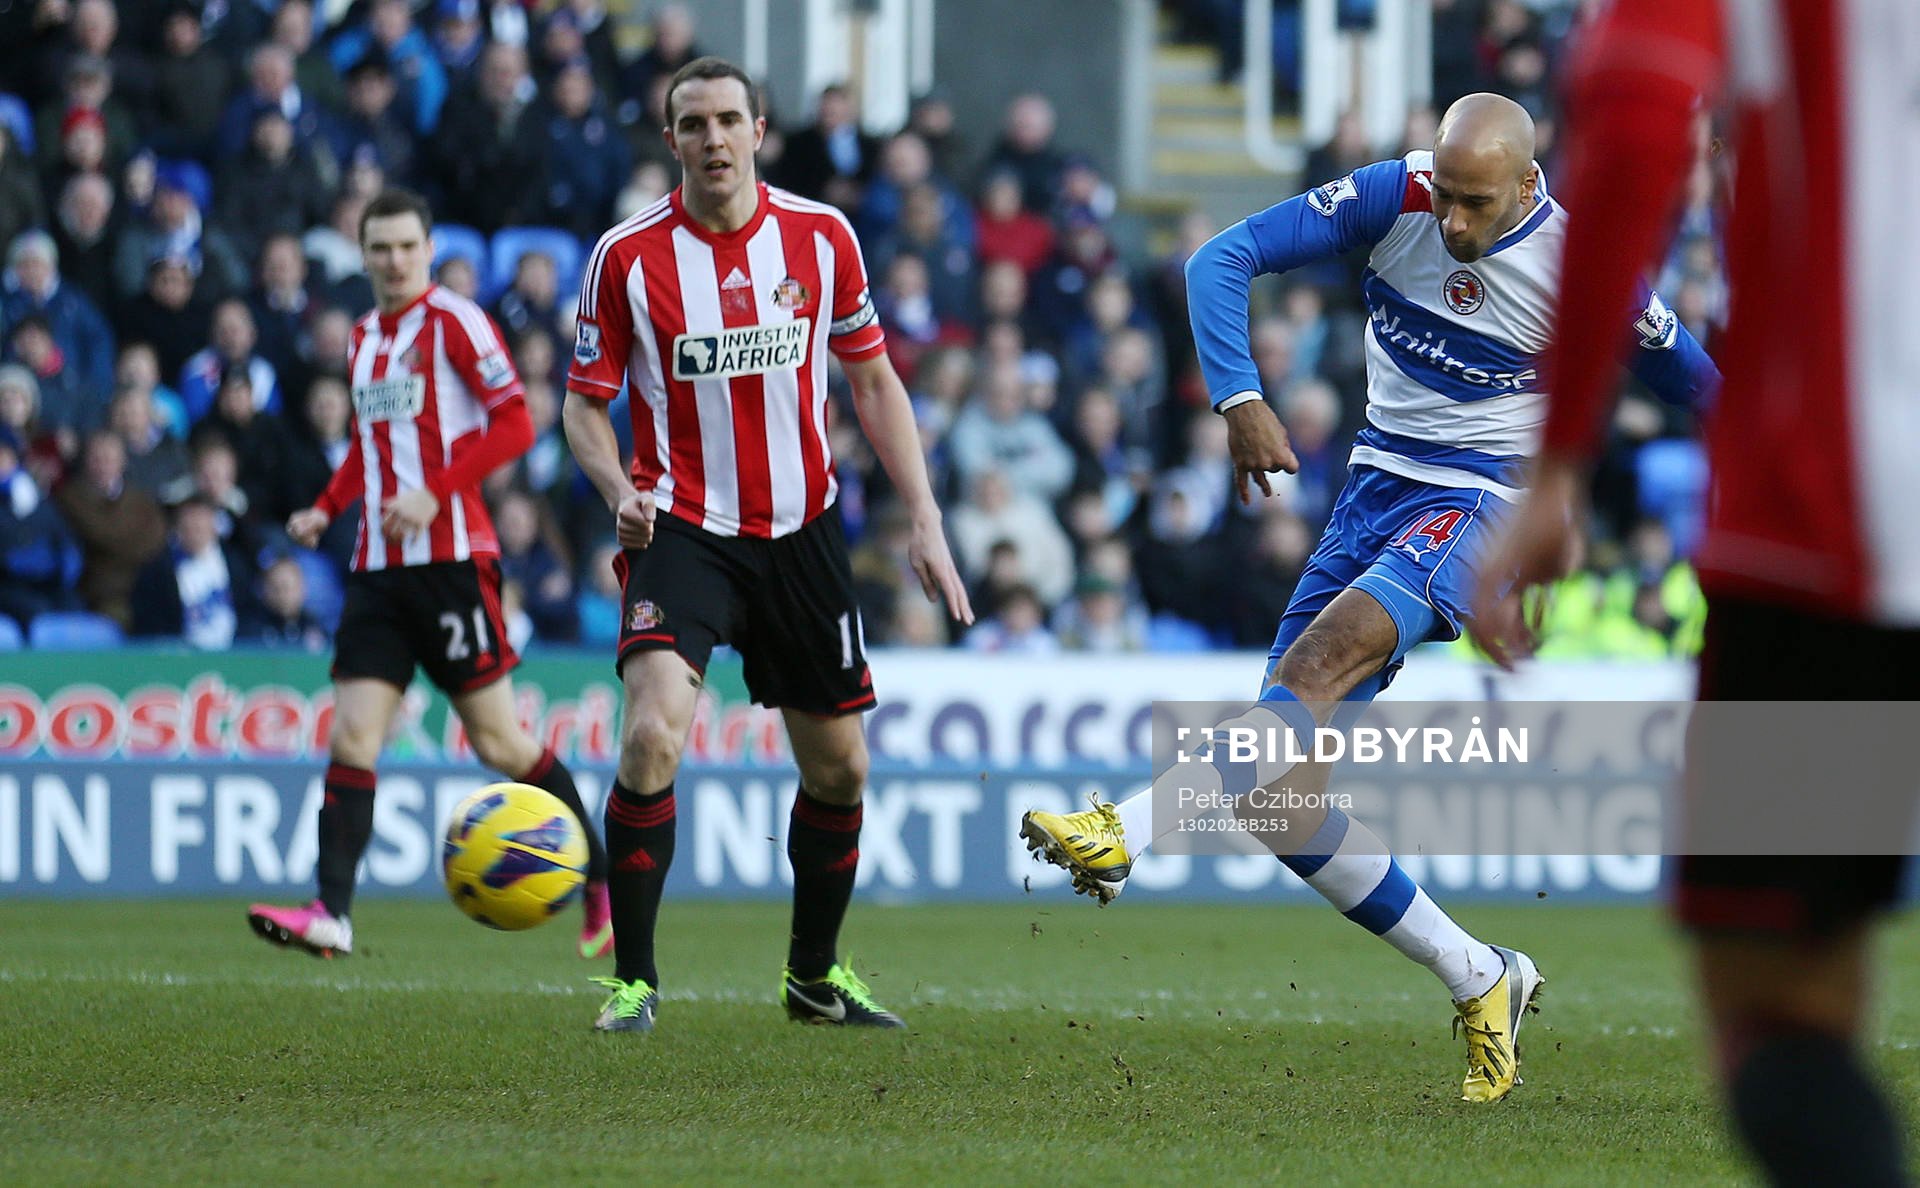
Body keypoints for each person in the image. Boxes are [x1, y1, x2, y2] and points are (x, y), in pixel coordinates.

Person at [1019, 93, 1720, 1102]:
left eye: (1480, 205)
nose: (1457, 225)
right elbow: (1219, 258)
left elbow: (1704, 391)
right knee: (1277, 798)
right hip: (1374, 490)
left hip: (1482, 502)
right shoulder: (1401, 194)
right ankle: (1482, 975)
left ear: (1531, 185)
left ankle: (1125, 829)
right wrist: (1239, 394)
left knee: (1319, 663)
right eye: (1449, 199)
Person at [1470, 2, 1914, 1182]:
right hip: (1841, 527)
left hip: (1839, 529)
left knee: (1780, 1002)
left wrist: (1558, 465)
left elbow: (1632, 133)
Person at [562, 57, 973, 1033]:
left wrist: (925, 516)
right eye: (691, 124)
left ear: (760, 130)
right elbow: (583, 408)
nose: (712, 139)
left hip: (803, 531)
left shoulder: (822, 238)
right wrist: (618, 488)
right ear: (672, 141)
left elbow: (874, 384)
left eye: (727, 121)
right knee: (653, 732)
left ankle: (813, 978)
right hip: (682, 531)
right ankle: (634, 980)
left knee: (840, 771)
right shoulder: (626, 258)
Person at [247, 188, 613, 962]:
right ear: (364, 251)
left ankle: (601, 876)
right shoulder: (362, 337)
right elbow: (369, 447)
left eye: (406, 247)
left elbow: (514, 419)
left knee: (501, 745)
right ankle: (332, 914)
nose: (392, 260)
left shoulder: (455, 320)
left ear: (426, 247)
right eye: (378, 248)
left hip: (449, 563)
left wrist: (433, 492)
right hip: (377, 572)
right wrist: (325, 505)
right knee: (352, 736)